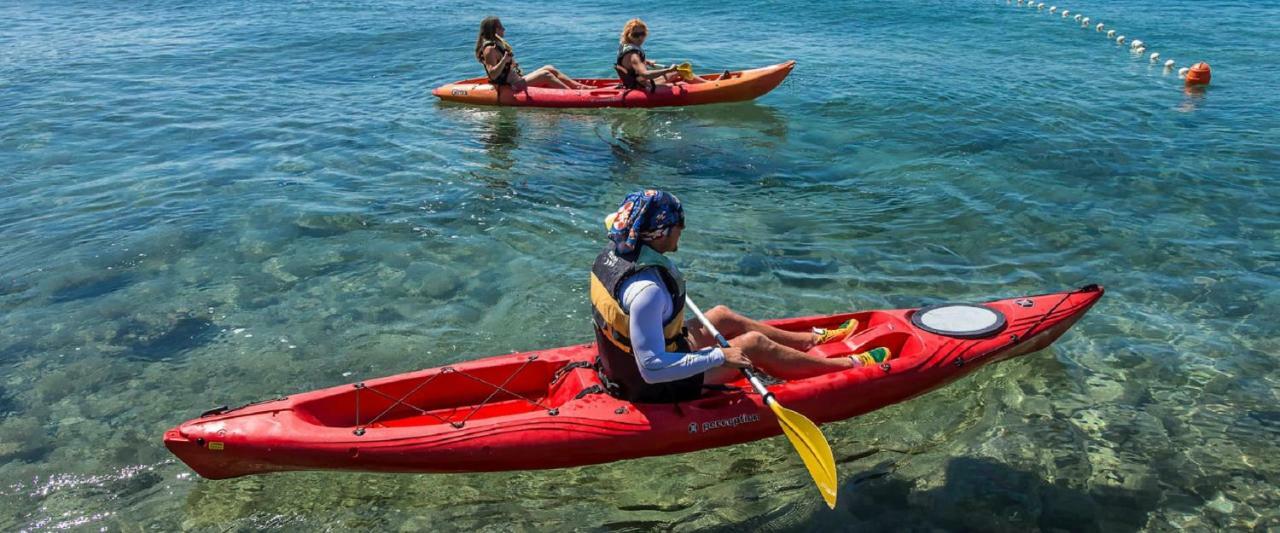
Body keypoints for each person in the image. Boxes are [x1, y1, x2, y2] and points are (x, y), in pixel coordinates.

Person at [589, 190, 891, 403]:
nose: (682, 232)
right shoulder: (648, 291)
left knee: (721, 316)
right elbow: (653, 369)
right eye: (679, 227)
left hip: (625, 360)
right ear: (660, 233)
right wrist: (722, 355)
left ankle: (810, 341)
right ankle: (847, 367)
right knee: (752, 345)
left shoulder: (618, 251)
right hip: (651, 384)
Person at [475, 16, 589, 91]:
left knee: (549, 68)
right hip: (511, 86)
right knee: (545, 75)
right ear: (494, 30)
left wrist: (511, 63)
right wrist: (504, 60)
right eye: (501, 27)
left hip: (518, 79)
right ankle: (572, 94)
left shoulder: (499, 45)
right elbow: (493, 74)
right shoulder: (489, 49)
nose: (504, 29)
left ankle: (579, 87)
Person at [614, 18, 709, 90]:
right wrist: (668, 70)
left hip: (637, 82)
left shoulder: (626, 46)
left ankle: (707, 83)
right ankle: (710, 85)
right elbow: (645, 74)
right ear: (628, 35)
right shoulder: (633, 55)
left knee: (678, 72)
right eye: (635, 35)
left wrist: (645, 61)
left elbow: (630, 65)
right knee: (680, 79)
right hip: (643, 86)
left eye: (642, 34)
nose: (639, 38)